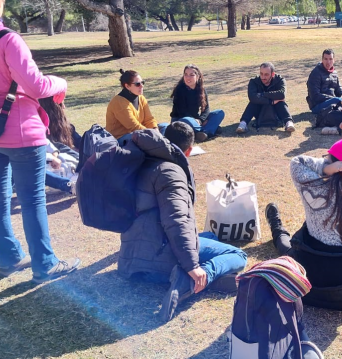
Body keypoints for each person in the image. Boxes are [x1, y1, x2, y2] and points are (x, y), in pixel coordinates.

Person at [0, 0, 80, 282]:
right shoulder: (8, 40)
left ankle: (9, 258)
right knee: (32, 200)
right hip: (21, 132)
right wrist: (61, 83)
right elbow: (36, 86)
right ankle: (45, 264)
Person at [116, 122, 247, 322]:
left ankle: (207, 277)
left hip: (132, 257)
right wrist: (192, 266)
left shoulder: (143, 158)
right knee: (238, 255)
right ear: (189, 151)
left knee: (210, 236)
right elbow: (176, 221)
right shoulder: (170, 172)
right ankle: (191, 280)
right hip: (157, 257)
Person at [265, 130, 342, 311]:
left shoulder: (314, 184)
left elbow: (297, 162)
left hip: (312, 268)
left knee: (286, 248)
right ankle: (276, 224)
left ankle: (275, 224)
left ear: (335, 162)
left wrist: (325, 168)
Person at [170, 64, 225, 143]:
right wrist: (197, 121)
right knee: (186, 120)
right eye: (186, 75)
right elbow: (182, 112)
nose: (188, 77)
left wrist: (200, 120)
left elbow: (206, 109)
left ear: (198, 76)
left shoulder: (201, 90)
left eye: (191, 75)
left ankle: (202, 133)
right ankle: (208, 131)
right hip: (181, 120)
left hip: (196, 121)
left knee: (219, 113)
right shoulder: (179, 90)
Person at [236, 62, 295, 133]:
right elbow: (252, 97)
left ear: (272, 74)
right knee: (253, 102)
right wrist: (271, 101)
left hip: (276, 111)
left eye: (266, 74)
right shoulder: (254, 81)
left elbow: (282, 94)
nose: (263, 77)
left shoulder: (280, 80)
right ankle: (243, 124)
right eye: (261, 74)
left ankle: (288, 123)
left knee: (280, 102)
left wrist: (262, 94)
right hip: (259, 110)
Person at [105, 69, 158, 144]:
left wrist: (155, 129)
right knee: (143, 137)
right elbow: (133, 127)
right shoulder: (119, 102)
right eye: (137, 84)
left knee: (165, 127)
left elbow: (149, 119)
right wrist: (153, 135)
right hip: (119, 139)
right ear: (127, 86)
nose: (141, 86)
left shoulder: (141, 97)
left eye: (142, 82)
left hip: (139, 133)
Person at [306, 49, 342, 133]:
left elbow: (340, 91)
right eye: (325, 59)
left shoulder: (334, 73)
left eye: (330, 59)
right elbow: (315, 96)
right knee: (338, 100)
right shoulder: (315, 73)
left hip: (333, 102)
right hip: (317, 105)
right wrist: (335, 99)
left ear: (334, 60)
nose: (328, 62)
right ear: (322, 59)